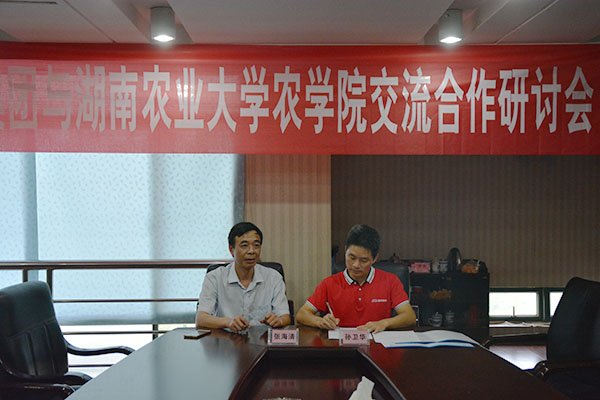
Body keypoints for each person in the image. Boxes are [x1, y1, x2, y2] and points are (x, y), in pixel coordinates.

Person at [296, 224, 416, 333]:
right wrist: (320, 322)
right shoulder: (329, 283)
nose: (356, 265)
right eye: (351, 257)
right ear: (345, 251)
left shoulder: (390, 281)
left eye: (363, 260)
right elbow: (302, 315)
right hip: (341, 345)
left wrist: (384, 323)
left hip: (376, 344)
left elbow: (409, 317)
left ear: (374, 258)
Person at [196, 222, 292, 332]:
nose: (251, 251)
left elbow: (285, 317)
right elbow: (201, 320)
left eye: (256, 245)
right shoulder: (214, 278)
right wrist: (228, 322)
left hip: (263, 340)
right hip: (226, 340)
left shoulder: (273, 277)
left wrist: (279, 321)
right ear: (231, 250)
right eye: (244, 246)